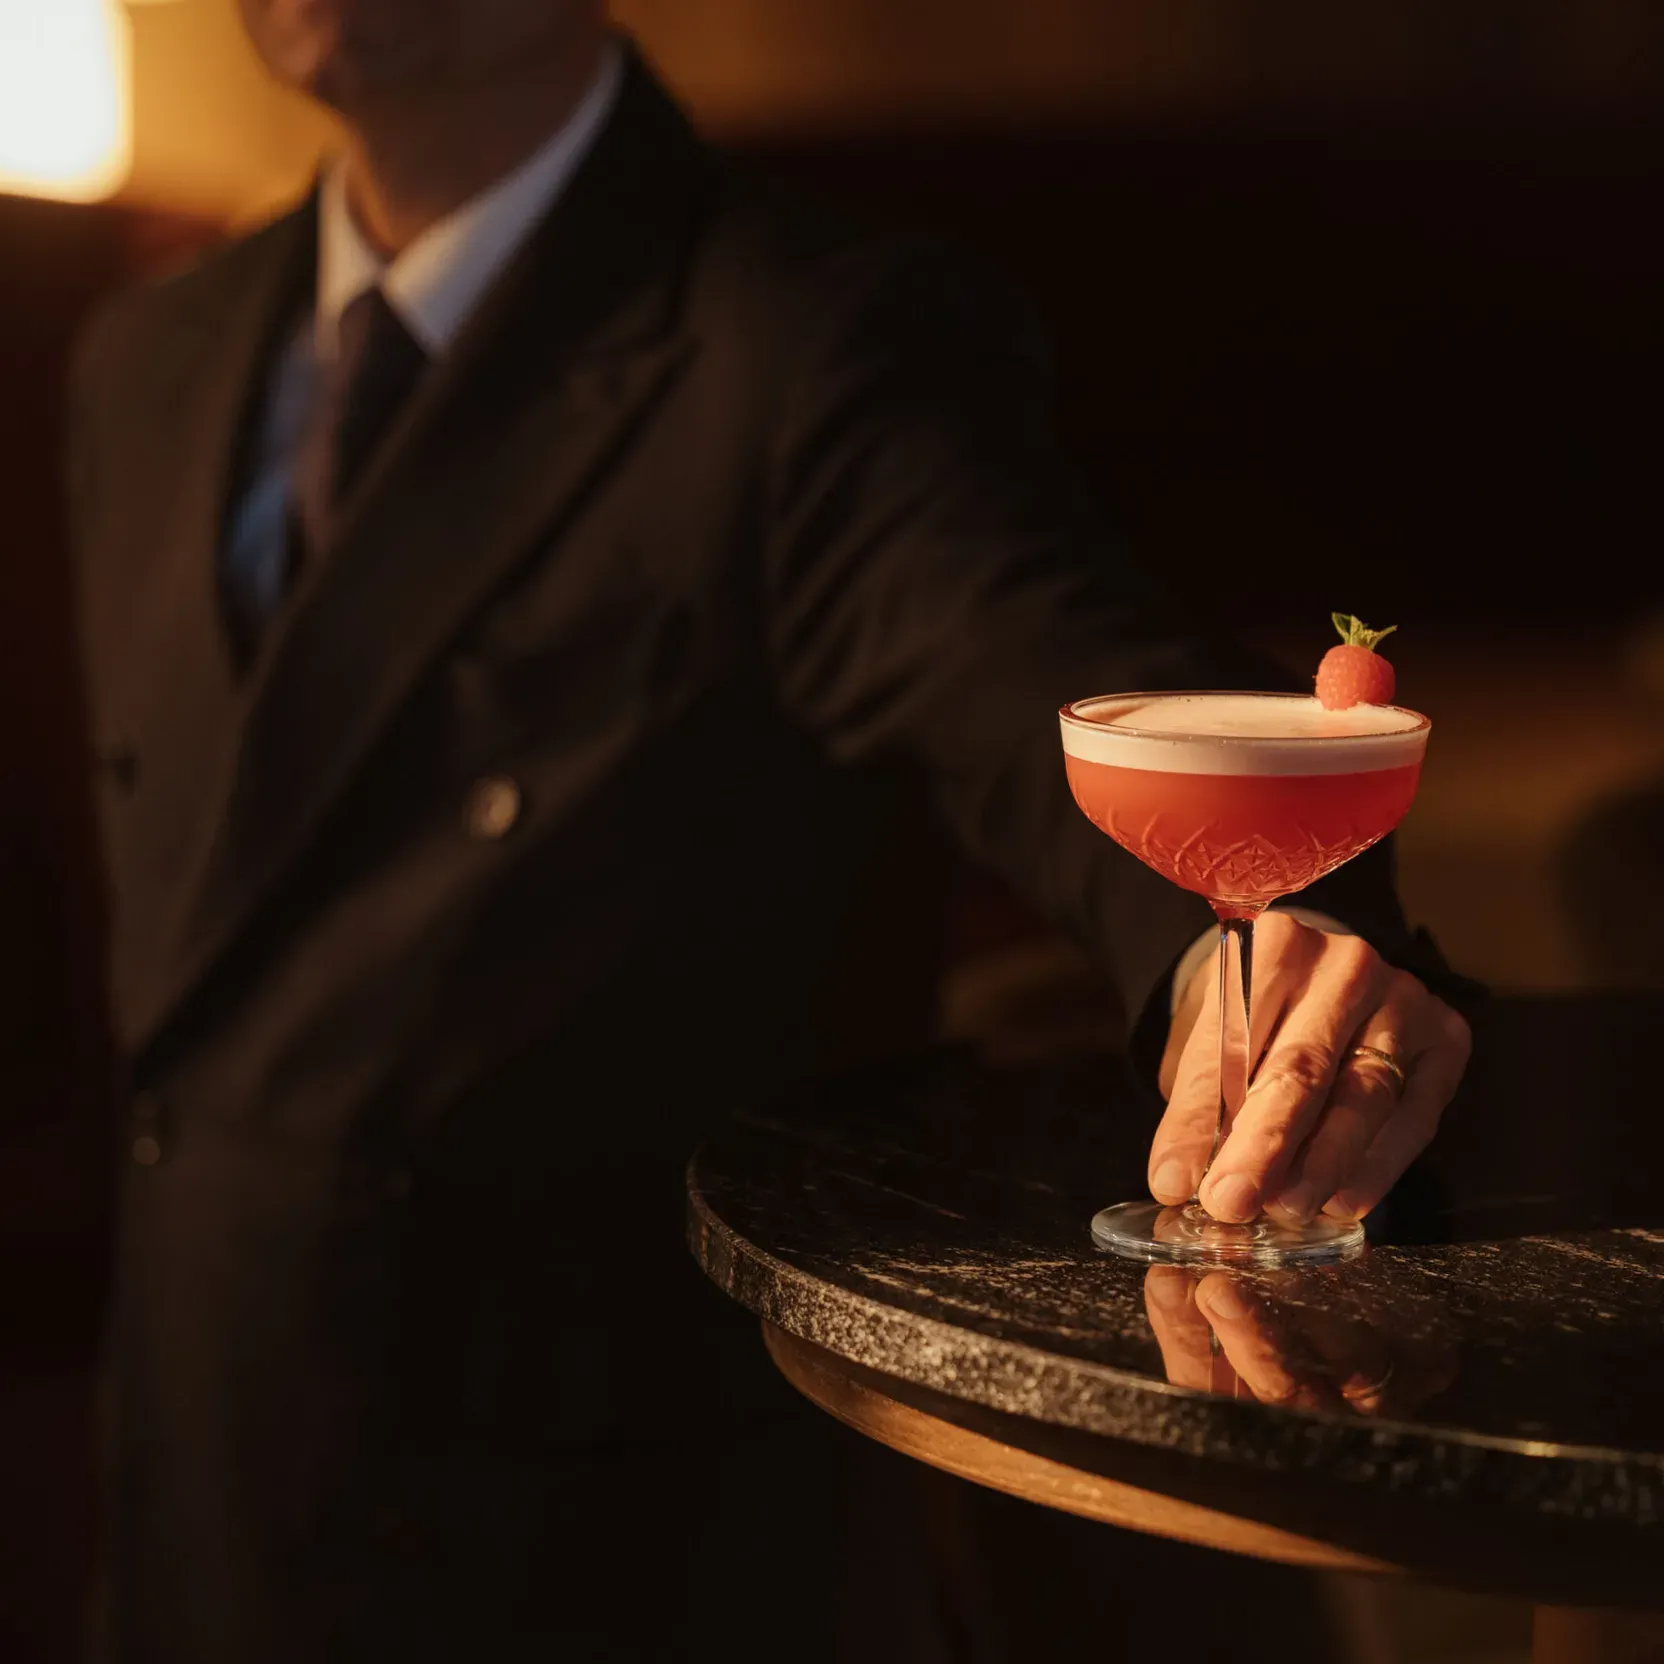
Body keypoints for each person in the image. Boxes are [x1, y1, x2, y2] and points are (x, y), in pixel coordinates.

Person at [67, 3, 1472, 1658]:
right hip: (188, 1479)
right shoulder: (147, 356)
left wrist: (1264, 943)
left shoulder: (812, 342)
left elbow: (1050, 683)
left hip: (587, 1553)